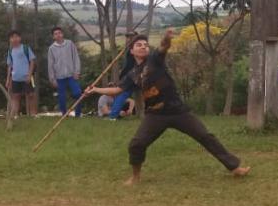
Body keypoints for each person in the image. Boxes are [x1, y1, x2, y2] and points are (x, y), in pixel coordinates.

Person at [85, 29, 250, 184]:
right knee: (137, 144)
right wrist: (95, 89)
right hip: (155, 115)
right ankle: (135, 177)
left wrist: (166, 38)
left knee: (205, 136)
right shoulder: (132, 74)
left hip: (177, 110)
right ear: (132, 51)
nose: (143, 47)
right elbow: (117, 90)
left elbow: (164, 46)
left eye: (145, 45)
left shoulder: (154, 60)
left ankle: (235, 168)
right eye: (139, 45)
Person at [48, 26, 82, 117]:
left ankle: (78, 114)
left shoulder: (70, 44)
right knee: (62, 97)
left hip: (71, 75)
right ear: (53, 37)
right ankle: (64, 114)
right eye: (56, 34)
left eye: (59, 33)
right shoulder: (51, 48)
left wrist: (77, 71)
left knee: (78, 93)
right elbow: (50, 65)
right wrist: (52, 79)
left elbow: (76, 58)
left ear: (62, 34)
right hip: (59, 77)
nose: (58, 35)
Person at [5, 30, 37, 120]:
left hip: (27, 77)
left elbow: (32, 61)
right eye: (12, 37)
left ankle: (33, 114)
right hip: (15, 78)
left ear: (20, 38)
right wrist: (8, 79)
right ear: (10, 39)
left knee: (31, 95)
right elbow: (10, 65)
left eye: (16, 37)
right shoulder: (10, 51)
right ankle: (15, 115)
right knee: (16, 96)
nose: (14, 39)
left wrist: (29, 74)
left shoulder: (26, 48)